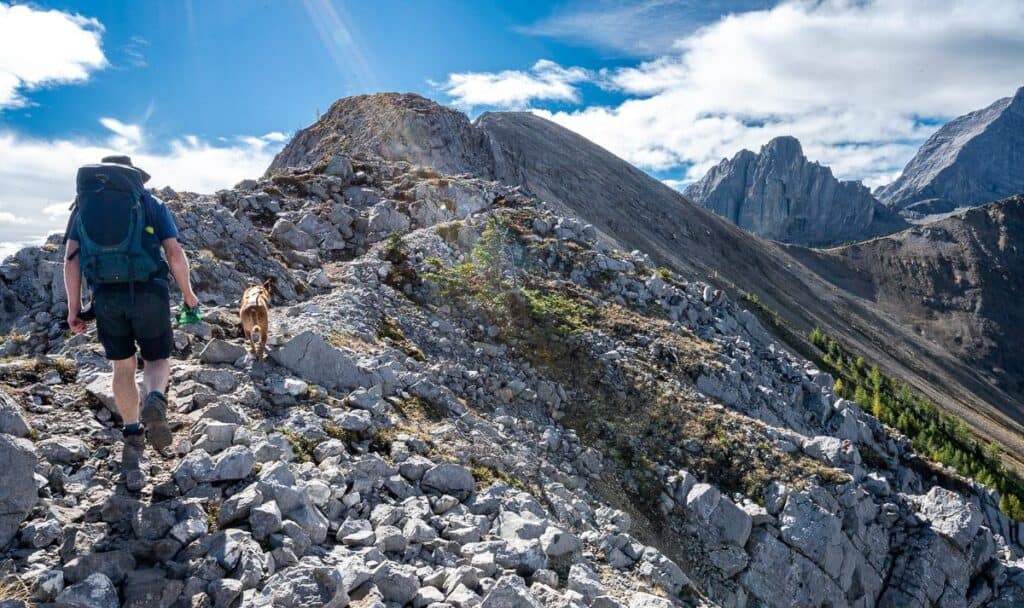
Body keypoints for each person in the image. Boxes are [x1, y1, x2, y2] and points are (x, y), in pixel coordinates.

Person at [63, 155, 199, 491]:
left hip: (107, 298)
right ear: (136, 177)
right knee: (156, 358)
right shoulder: (151, 203)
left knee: (122, 368)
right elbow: (175, 253)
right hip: (149, 292)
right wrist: (189, 295)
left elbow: (71, 261)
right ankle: (155, 397)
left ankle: (133, 432)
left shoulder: (81, 208)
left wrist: (74, 309)